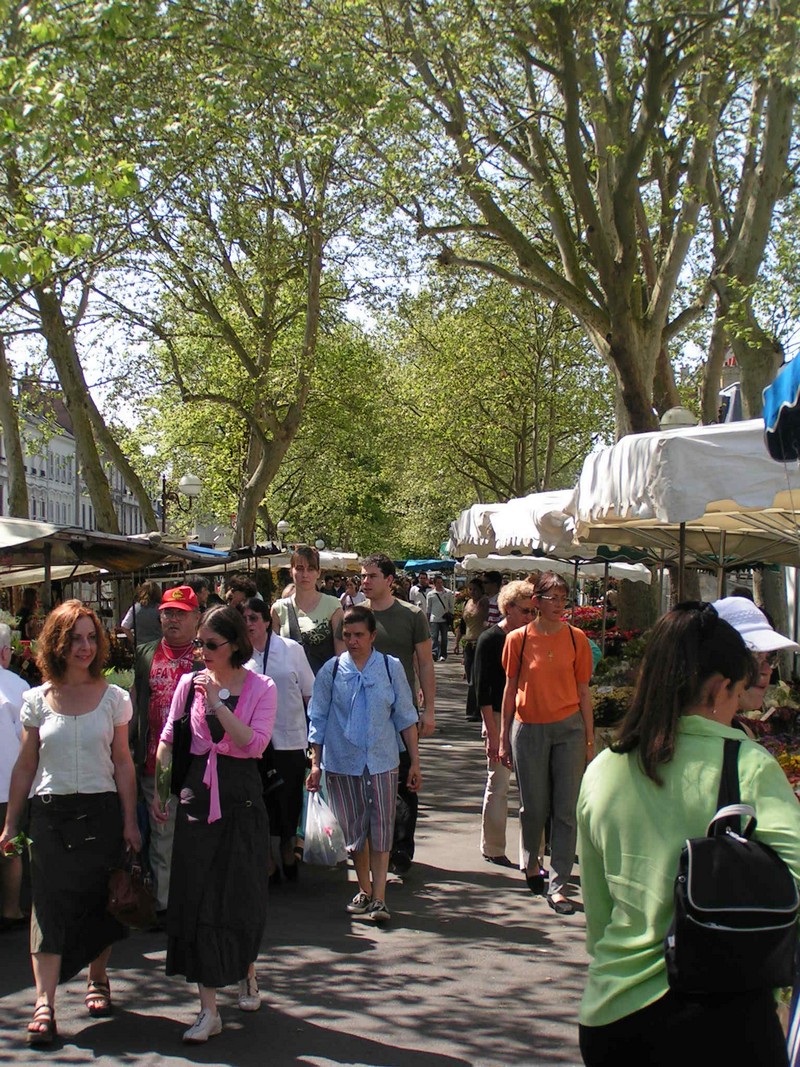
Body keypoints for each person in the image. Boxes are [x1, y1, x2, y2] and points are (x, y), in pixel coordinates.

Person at [577, 602, 800, 1067]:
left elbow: (597, 907)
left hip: (613, 1012)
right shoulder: (748, 767)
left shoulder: (603, 769)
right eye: (738, 691)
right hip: (725, 1012)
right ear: (719, 688)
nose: (738, 702)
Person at [0, 601, 140, 1047]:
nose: (84, 646)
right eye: (75, 638)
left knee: (100, 900)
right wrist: (10, 823)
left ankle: (98, 979)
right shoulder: (36, 700)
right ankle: (45, 1004)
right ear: (57, 643)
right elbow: (25, 767)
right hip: (50, 815)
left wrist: (131, 820)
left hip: (101, 812)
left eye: (91, 637)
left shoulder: (114, 698)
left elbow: (123, 764)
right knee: (48, 904)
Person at [152, 605, 276, 1044]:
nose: (202, 652)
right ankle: (208, 1009)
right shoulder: (188, 684)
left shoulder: (262, 686)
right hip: (197, 796)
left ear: (235, 645)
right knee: (197, 897)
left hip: (241, 795)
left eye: (211, 645)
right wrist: (161, 790)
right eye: (200, 644)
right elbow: (168, 739)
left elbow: (254, 744)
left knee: (240, 893)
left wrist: (218, 705)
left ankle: (245, 968)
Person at [307, 606, 422, 925]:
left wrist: (414, 761)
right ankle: (364, 888)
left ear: (372, 636)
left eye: (359, 635)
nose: (353, 641)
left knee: (382, 825)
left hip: (383, 759)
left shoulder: (390, 667)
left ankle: (381, 898)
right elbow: (317, 717)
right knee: (355, 827)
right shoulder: (331, 671)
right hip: (342, 761)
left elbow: (405, 715)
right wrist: (315, 763)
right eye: (347, 635)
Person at [499, 571, 593, 913]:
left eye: (563, 598)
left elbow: (584, 691)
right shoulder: (518, 639)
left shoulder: (576, 638)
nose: (559, 605)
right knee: (533, 807)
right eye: (551, 598)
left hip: (569, 729)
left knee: (565, 811)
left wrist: (589, 740)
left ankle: (559, 884)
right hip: (529, 729)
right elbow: (510, 689)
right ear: (536, 602)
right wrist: (502, 739)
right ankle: (532, 861)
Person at [359, 553, 435, 874]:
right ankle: (373, 847)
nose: (365, 581)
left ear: (389, 580)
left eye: (372, 576)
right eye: (363, 576)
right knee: (366, 783)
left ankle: (402, 849)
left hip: (400, 714)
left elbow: (425, 663)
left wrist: (429, 709)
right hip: (362, 713)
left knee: (405, 781)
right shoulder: (354, 615)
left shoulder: (412, 615)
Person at [131, 585, 201, 916]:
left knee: (196, 833)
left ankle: (194, 901)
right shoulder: (144, 653)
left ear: (196, 618)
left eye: (180, 613)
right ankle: (164, 905)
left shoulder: (205, 657)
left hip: (197, 761)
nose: (172, 619)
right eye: (167, 613)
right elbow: (134, 702)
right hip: (154, 760)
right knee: (162, 835)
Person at [242, 596, 314, 882]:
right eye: (244, 619)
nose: (249, 624)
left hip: (289, 739)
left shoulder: (291, 650)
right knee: (260, 803)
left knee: (288, 803)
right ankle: (268, 861)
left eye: (254, 618)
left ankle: (287, 849)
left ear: (267, 621)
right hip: (254, 743)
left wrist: (315, 741)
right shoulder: (239, 654)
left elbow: (310, 694)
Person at [473, 581, 534, 866]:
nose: (530, 616)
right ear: (508, 607)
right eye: (524, 610)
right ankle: (493, 846)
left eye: (533, 611)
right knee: (498, 782)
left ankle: (532, 852)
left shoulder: (532, 637)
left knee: (532, 788)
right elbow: (482, 691)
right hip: (497, 715)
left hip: (528, 715)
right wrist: (493, 733)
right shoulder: (491, 639)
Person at [713, 596, 799, 727]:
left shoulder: (744, 732)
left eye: (770, 657)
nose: (767, 670)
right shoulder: (688, 740)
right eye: (755, 657)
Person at [272, 544, 345, 674]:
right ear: (291, 571)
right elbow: (274, 656)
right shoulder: (278, 609)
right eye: (299, 568)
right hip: (292, 688)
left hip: (324, 685)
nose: (305, 574)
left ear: (318, 572)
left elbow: (342, 655)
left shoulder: (333, 606)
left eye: (310, 569)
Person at [0, 622, 30, 931]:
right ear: (6, 653)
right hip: (10, 785)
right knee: (12, 846)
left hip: (9, 782)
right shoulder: (16, 685)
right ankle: (10, 908)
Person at [461, 578, 490, 721]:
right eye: (470, 589)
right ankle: (473, 709)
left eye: (475, 589)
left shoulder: (484, 602)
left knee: (475, 678)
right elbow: (463, 624)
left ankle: (476, 710)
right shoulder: (467, 603)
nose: (472, 592)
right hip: (468, 643)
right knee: (469, 678)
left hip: (480, 642)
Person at [120, 581, 163, 646]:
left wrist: (135, 641)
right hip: (158, 646)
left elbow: (124, 626)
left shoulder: (134, 608)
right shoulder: (160, 609)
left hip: (141, 647)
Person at [426, 575, 455, 662]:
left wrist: (451, 615)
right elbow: (428, 608)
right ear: (434, 584)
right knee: (434, 637)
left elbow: (451, 605)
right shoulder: (430, 594)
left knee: (444, 638)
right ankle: (434, 653)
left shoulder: (448, 592)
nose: (440, 584)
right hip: (434, 618)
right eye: (438, 583)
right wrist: (427, 619)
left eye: (441, 582)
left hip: (444, 618)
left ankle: (443, 654)